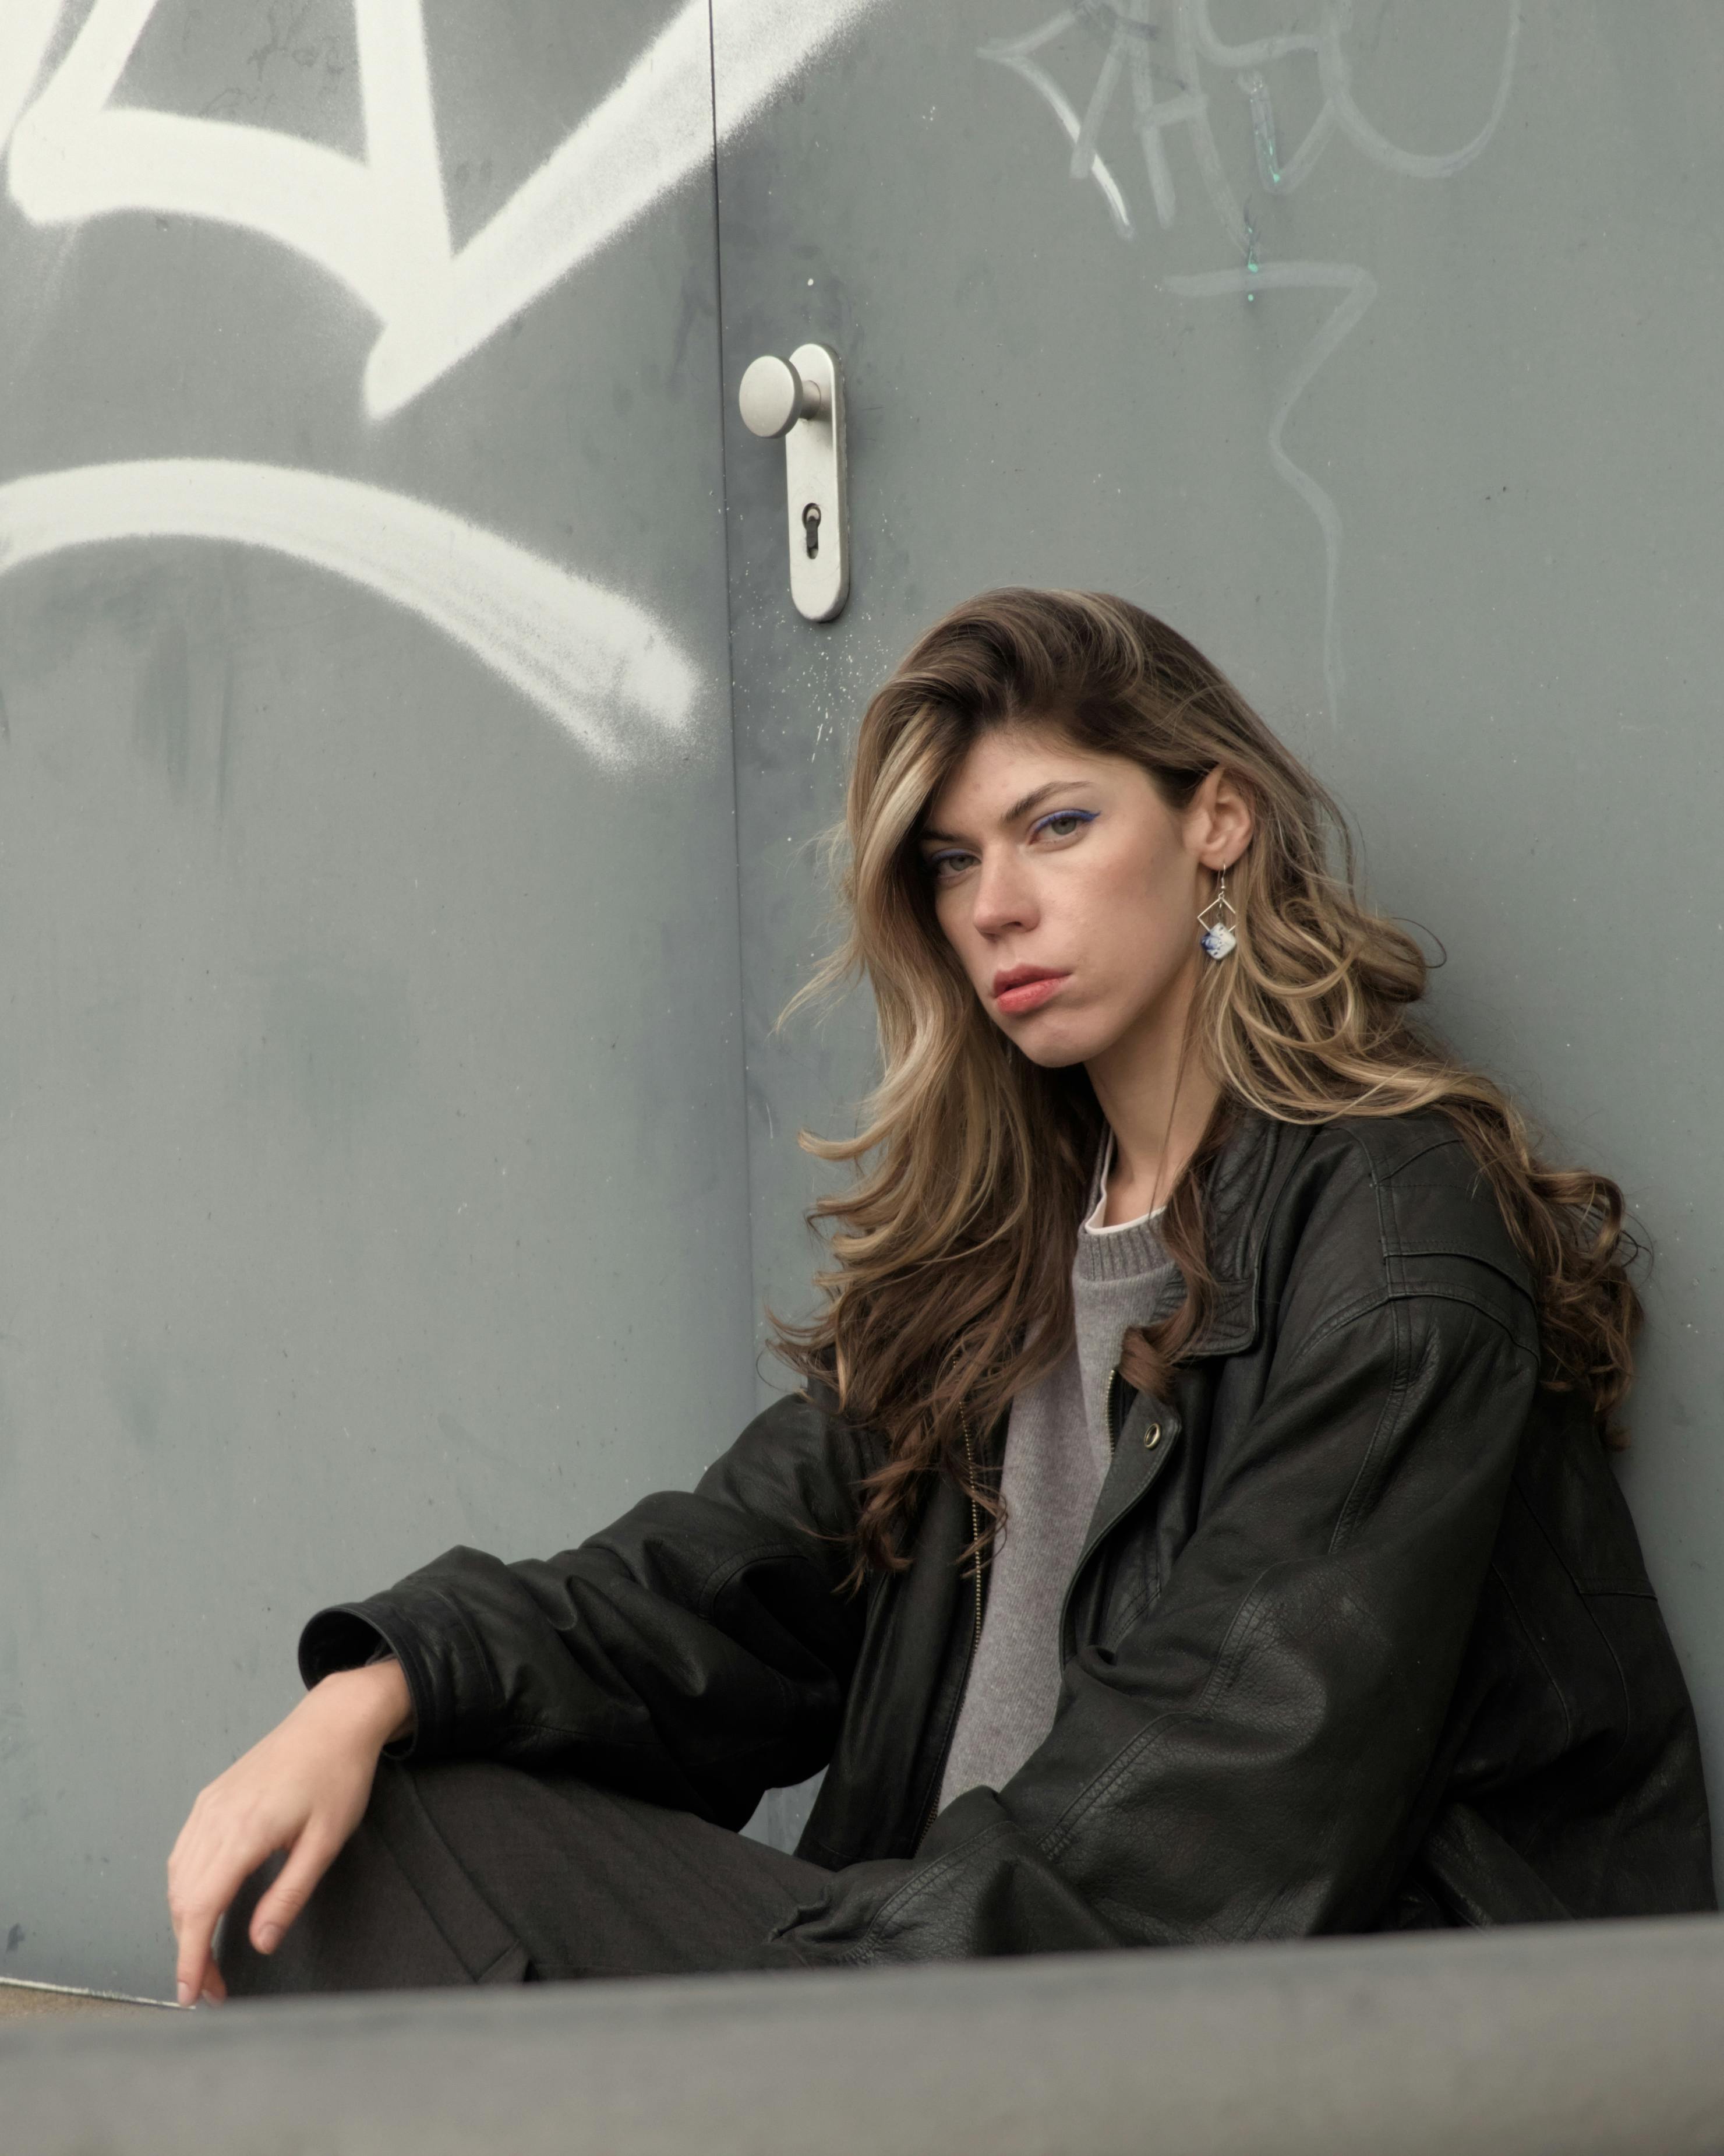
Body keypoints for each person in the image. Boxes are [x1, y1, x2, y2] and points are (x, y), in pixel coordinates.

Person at [167, 588, 1714, 2003]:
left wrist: (851, 1980)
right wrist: (381, 1687)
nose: (996, 906)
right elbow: (717, 1587)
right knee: (339, 1841)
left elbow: (1215, 1814)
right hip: (955, 1971)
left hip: (1271, 2027)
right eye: (957, 861)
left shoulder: (1392, 1237)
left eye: (1056, 825)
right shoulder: (1004, 1252)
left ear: (1218, 823)